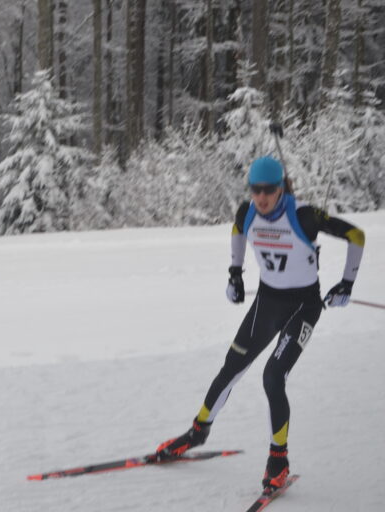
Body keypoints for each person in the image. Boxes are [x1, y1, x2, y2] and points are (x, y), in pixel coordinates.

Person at [155, 155, 366, 492]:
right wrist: (235, 274)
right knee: (231, 368)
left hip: (303, 307)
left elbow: (356, 235)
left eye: (270, 190)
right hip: (267, 302)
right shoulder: (247, 211)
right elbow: (238, 231)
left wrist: (347, 284)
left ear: (281, 188)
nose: (263, 197)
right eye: (257, 190)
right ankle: (198, 431)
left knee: (272, 376)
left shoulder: (304, 215)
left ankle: (278, 459)